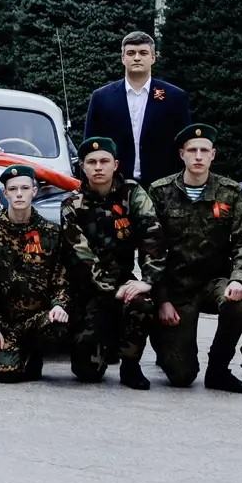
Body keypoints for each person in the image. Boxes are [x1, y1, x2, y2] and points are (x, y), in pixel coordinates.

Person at [148, 125, 242, 392]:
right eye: (192, 150)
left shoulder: (230, 192)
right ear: (182, 154)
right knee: (181, 376)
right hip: (176, 287)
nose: (198, 156)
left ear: (213, 154)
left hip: (214, 281)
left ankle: (219, 370)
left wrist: (238, 278)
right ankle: (164, 344)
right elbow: (152, 248)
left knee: (239, 302)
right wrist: (162, 299)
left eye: (204, 150)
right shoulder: (160, 191)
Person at [62, 136, 165, 390]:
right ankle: (103, 344)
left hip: (122, 280)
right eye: (92, 162)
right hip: (87, 290)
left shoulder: (132, 194)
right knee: (87, 372)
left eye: (104, 161)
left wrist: (147, 281)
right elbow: (81, 258)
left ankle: (130, 365)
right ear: (82, 167)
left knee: (142, 303)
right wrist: (111, 290)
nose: (98, 167)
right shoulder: (72, 205)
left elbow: (153, 236)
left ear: (115, 164)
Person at [0, 163, 92, 383]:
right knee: (6, 374)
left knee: (57, 323)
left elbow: (62, 277)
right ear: (5, 193)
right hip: (4, 322)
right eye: (13, 189)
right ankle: (13, 354)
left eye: (24, 188)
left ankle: (36, 354)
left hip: (38, 320)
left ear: (35, 191)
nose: (19, 194)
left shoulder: (51, 232)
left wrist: (59, 304)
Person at [82, 31, 193, 186]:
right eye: (131, 53)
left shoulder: (174, 97)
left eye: (143, 53)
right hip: (114, 186)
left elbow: (186, 145)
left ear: (153, 58)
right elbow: (89, 145)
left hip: (164, 187)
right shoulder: (102, 97)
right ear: (123, 58)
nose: (136, 58)